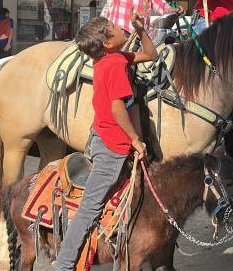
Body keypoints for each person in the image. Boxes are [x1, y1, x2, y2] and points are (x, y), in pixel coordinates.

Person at [53, 13, 155, 271]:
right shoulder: (114, 65)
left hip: (103, 136)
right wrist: (135, 139)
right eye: (113, 27)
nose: (119, 26)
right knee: (90, 207)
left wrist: (141, 30)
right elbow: (117, 107)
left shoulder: (114, 58)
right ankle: (64, 265)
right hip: (112, 146)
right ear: (108, 43)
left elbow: (151, 55)